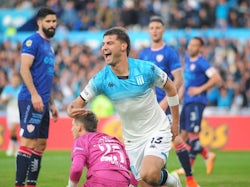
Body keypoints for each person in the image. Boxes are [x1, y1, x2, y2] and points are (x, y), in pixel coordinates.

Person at [67, 27, 182, 187]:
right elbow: (77, 103)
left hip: (157, 129)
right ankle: (167, 180)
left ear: (123, 46)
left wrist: (175, 122)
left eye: (110, 43)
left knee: (149, 173)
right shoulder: (100, 79)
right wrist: (72, 110)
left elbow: (171, 88)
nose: (104, 47)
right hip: (132, 140)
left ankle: (174, 181)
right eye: (103, 44)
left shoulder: (146, 69)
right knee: (148, 182)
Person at [138, 16, 200, 187]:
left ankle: (189, 179)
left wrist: (166, 101)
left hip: (165, 106)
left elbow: (178, 80)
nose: (155, 30)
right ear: (148, 31)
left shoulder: (169, 53)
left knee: (176, 138)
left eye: (158, 27)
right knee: (149, 143)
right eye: (152, 27)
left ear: (163, 30)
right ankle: (161, 177)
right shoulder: (144, 54)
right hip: (149, 109)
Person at [15, 7, 59, 187]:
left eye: (54, 21)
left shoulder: (49, 47)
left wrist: (52, 103)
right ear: (39, 22)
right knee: (29, 141)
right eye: (48, 21)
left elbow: (47, 79)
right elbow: (24, 69)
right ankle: (19, 184)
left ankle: (31, 184)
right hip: (30, 99)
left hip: (43, 102)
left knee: (40, 144)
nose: (52, 25)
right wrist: (34, 95)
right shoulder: (32, 41)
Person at [180, 37, 222, 175]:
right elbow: (185, 83)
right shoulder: (187, 61)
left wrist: (199, 89)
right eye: (190, 45)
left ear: (201, 48)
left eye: (194, 45)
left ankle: (188, 168)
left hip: (196, 102)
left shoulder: (202, 62)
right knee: (182, 136)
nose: (190, 47)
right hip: (186, 102)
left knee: (193, 134)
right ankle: (207, 155)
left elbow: (216, 78)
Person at [66, 110, 134, 187]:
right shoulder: (114, 140)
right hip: (123, 182)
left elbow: (77, 168)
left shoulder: (82, 140)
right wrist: (132, 185)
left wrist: (71, 186)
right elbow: (136, 166)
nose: (71, 129)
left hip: (98, 181)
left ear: (79, 127)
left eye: (73, 125)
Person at [0, 73, 22, 156]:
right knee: (12, 131)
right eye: (13, 79)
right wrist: (7, 98)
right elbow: (1, 101)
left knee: (13, 129)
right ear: (11, 80)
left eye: (16, 80)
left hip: (19, 112)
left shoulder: (21, 89)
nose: (15, 81)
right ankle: (16, 147)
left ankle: (14, 147)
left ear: (19, 80)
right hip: (10, 112)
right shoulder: (7, 89)